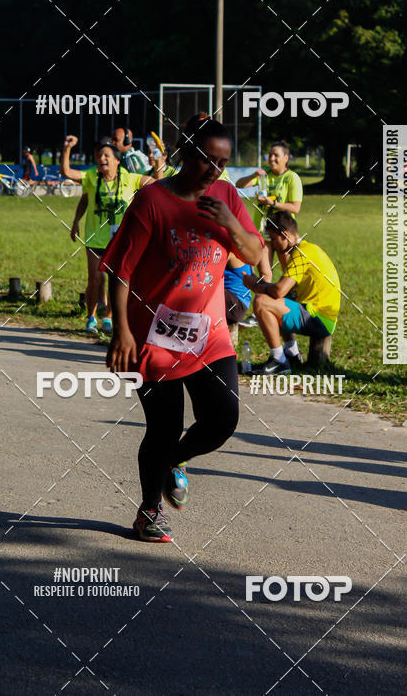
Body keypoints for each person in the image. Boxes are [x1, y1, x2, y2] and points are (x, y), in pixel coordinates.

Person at [99, 117, 263, 542]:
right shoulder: (152, 200)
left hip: (209, 334)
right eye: (208, 159)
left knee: (223, 418)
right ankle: (149, 510)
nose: (215, 170)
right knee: (163, 426)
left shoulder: (226, 195)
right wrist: (122, 332)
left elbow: (253, 251)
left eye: (223, 162)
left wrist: (231, 221)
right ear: (184, 152)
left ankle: (173, 461)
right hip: (153, 336)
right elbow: (120, 271)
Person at [62, 135, 153, 335]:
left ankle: (109, 318)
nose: (102, 158)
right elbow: (67, 172)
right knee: (95, 279)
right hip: (95, 238)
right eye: (99, 155)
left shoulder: (130, 178)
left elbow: (157, 185)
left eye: (106, 155)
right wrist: (67, 148)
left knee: (116, 280)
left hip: (120, 240)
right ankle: (90, 317)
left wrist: (158, 164)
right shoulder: (92, 177)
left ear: (117, 160)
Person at [243, 211, 340, 374]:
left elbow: (279, 290)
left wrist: (255, 285)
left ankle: (279, 359)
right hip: (321, 315)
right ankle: (292, 353)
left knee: (261, 301)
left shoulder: (301, 253)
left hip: (319, 318)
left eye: (274, 239)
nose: (272, 244)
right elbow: (284, 291)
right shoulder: (306, 248)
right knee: (277, 298)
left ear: (285, 235)